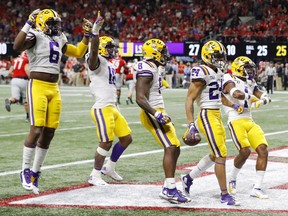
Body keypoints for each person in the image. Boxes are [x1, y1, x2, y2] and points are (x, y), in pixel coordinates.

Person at [13, 8, 92, 194]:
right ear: (40, 23)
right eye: (51, 23)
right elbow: (17, 46)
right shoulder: (35, 34)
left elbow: (79, 51)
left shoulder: (59, 38)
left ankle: (35, 172)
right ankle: (24, 169)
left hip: (54, 88)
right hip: (38, 86)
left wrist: (87, 35)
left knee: (49, 131)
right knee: (37, 128)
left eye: (56, 23)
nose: (55, 27)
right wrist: (28, 23)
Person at [181, 40, 239, 206]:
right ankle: (224, 194)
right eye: (217, 56)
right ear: (207, 56)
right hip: (207, 115)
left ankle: (188, 178)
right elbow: (189, 99)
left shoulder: (218, 71)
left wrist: (233, 105)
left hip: (216, 115)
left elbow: (219, 96)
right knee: (221, 154)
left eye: (221, 56)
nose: (220, 59)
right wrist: (191, 124)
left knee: (215, 154)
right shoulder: (202, 70)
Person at [135, 38, 190, 204]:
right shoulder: (146, 67)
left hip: (159, 111)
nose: (165, 55)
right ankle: (170, 189)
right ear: (153, 52)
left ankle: (169, 185)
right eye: (162, 52)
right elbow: (140, 98)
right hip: (152, 113)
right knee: (171, 147)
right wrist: (156, 114)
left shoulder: (153, 66)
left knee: (176, 147)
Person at [86, 12, 132, 186]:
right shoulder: (95, 60)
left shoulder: (109, 63)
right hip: (102, 107)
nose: (113, 50)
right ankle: (94, 175)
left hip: (112, 106)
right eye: (110, 47)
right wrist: (95, 32)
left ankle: (109, 168)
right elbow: (92, 58)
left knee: (126, 138)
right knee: (105, 142)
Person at [221, 56, 271, 199]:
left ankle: (257, 187)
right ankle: (232, 178)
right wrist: (253, 98)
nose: (250, 71)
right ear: (238, 68)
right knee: (244, 152)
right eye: (247, 68)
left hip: (249, 120)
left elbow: (257, 92)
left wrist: (264, 96)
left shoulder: (250, 81)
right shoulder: (228, 78)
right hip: (235, 120)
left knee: (263, 149)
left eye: (250, 68)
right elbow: (236, 93)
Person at [5, 51, 30, 122]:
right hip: (23, 80)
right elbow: (26, 69)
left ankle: (9, 101)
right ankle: (28, 117)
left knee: (15, 98)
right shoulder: (26, 60)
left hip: (14, 80)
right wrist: (31, 77)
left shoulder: (15, 60)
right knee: (27, 100)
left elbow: (9, 72)